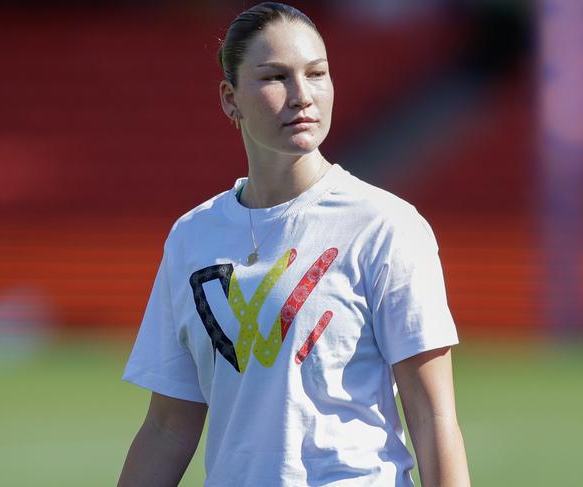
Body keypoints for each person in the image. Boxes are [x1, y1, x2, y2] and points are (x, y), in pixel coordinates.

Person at [117, 2, 470, 486]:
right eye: (275, 77)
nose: (302, 95)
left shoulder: (385, 226)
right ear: (229, 98)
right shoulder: (192, 236)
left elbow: (434, 419)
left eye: (317, 73)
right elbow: (166, 427)